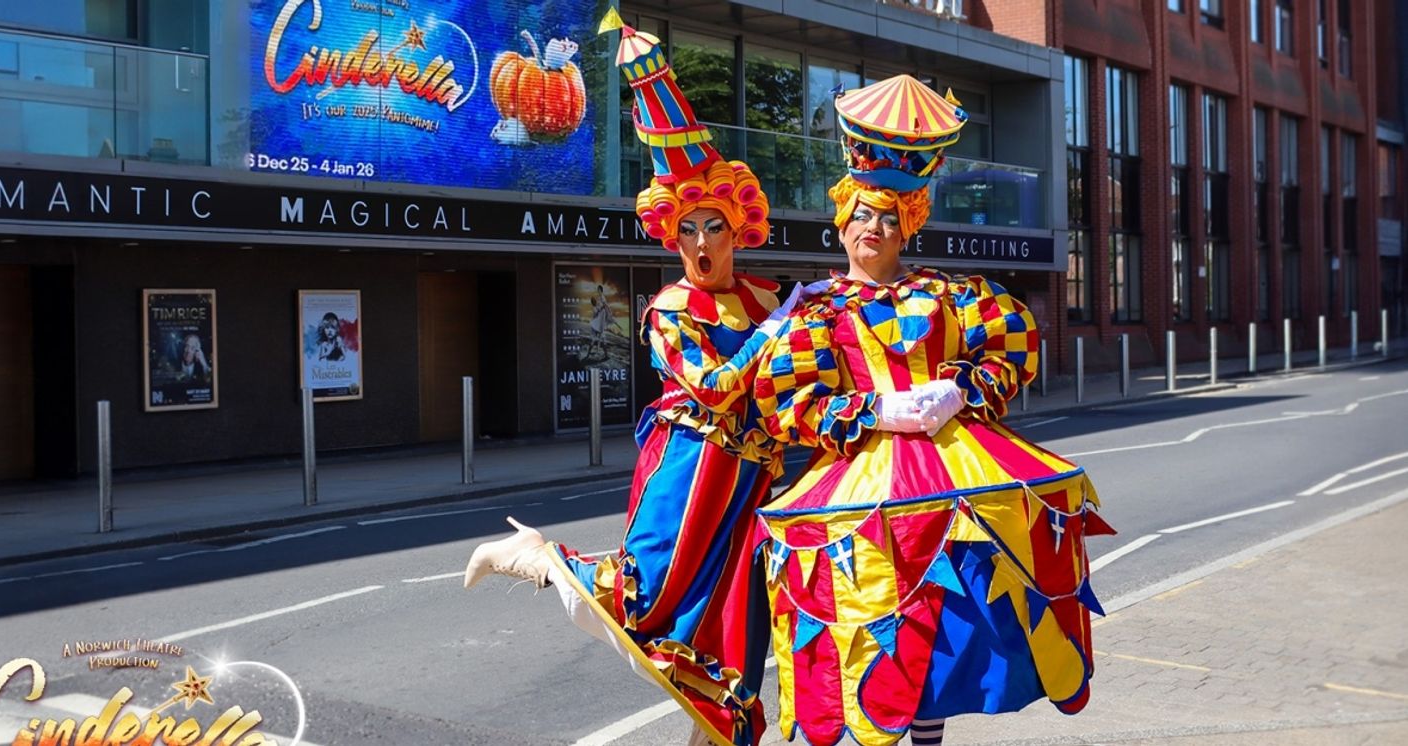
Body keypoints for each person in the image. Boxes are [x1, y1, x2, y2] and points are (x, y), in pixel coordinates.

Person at [462, 12, 793, 746]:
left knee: (737, 627)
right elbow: (714, 386)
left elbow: (796, 387)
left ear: (738, 229)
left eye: (713, 226)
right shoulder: (670, 310)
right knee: (646, 597)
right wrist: (776, 338)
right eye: (688, 230)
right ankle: (534, 557)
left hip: (752, 480)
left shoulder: (766, 299)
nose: (700, 242)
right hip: (692, 466)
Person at [751, 75, 1113, 746]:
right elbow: (791, 403)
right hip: (866, 482)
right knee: (879, 628)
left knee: (943, 630)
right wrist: (877, 409)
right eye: (864, 214)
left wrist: (960, 391)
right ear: (842, 221)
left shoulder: (953, 293)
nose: (875, 229)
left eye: (891, 218)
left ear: (909, 226)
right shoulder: (814, 311)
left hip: (954, 471)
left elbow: (1010, 348)